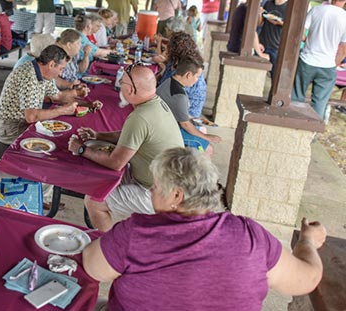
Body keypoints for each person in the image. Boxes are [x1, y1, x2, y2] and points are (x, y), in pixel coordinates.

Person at [83, 147, 326, 311]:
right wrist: (307, 242)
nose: (150, 191)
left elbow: (92, 267)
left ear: (176, 195)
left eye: (156, 185)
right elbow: (307, 279)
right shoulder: (250, 236)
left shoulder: (136, 233)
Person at [68, 64, 183, 232]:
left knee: (94, 201)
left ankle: (108, 250)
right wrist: (98, 136)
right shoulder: (155, 103)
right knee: (102, 182)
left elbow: (116, 163)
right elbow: (131, 137)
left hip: (158, 194)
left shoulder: (140, 116)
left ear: (130, 90)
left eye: (122, 82)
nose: (120, 86)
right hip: (165, 184)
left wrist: (81, 149)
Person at [0, 45, 77, 144]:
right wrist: (63, 110)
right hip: (11, 129)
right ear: (51, 64)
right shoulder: (28, 75)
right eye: (61, 69)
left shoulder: (44, 73)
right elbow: (32, 117)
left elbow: (58, 96)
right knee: (55, 142)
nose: (60, 73)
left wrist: (86, 104)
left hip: (23, 122)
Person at [293, 0, 346, 118]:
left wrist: (308, 40)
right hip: (327, 64)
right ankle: (312, 129)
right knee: (320, 103)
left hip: (307, 60)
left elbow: (300, 34)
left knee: (297, 96)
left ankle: (292, 123)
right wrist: (334, 64)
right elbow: (343, 49)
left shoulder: (316, 10)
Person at [156, 56, 221, 156]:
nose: (197, 80)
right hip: (168, 131)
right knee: (208, 149)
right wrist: (207, 137)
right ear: (188, 75)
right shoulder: (179, 96)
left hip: (163, 122)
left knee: (201, 128)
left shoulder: (169, 80)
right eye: (197, 76)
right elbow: (185, 125)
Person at [156, 31, 207, 120]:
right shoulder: (174, 63)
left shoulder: (187, 71)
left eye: (169, 47)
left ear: (175, 51)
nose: (167, 50)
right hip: (170, 107)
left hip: (184, 116)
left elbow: (170, 99)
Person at [257, 0, 289, 77]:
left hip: (276, 45)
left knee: (274, 75)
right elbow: (259, 23)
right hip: (262, 43)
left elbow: (289, 26)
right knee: (258, 72)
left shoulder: (287, 7)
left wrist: (280, 23)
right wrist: (260, 13)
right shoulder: (268, 3)